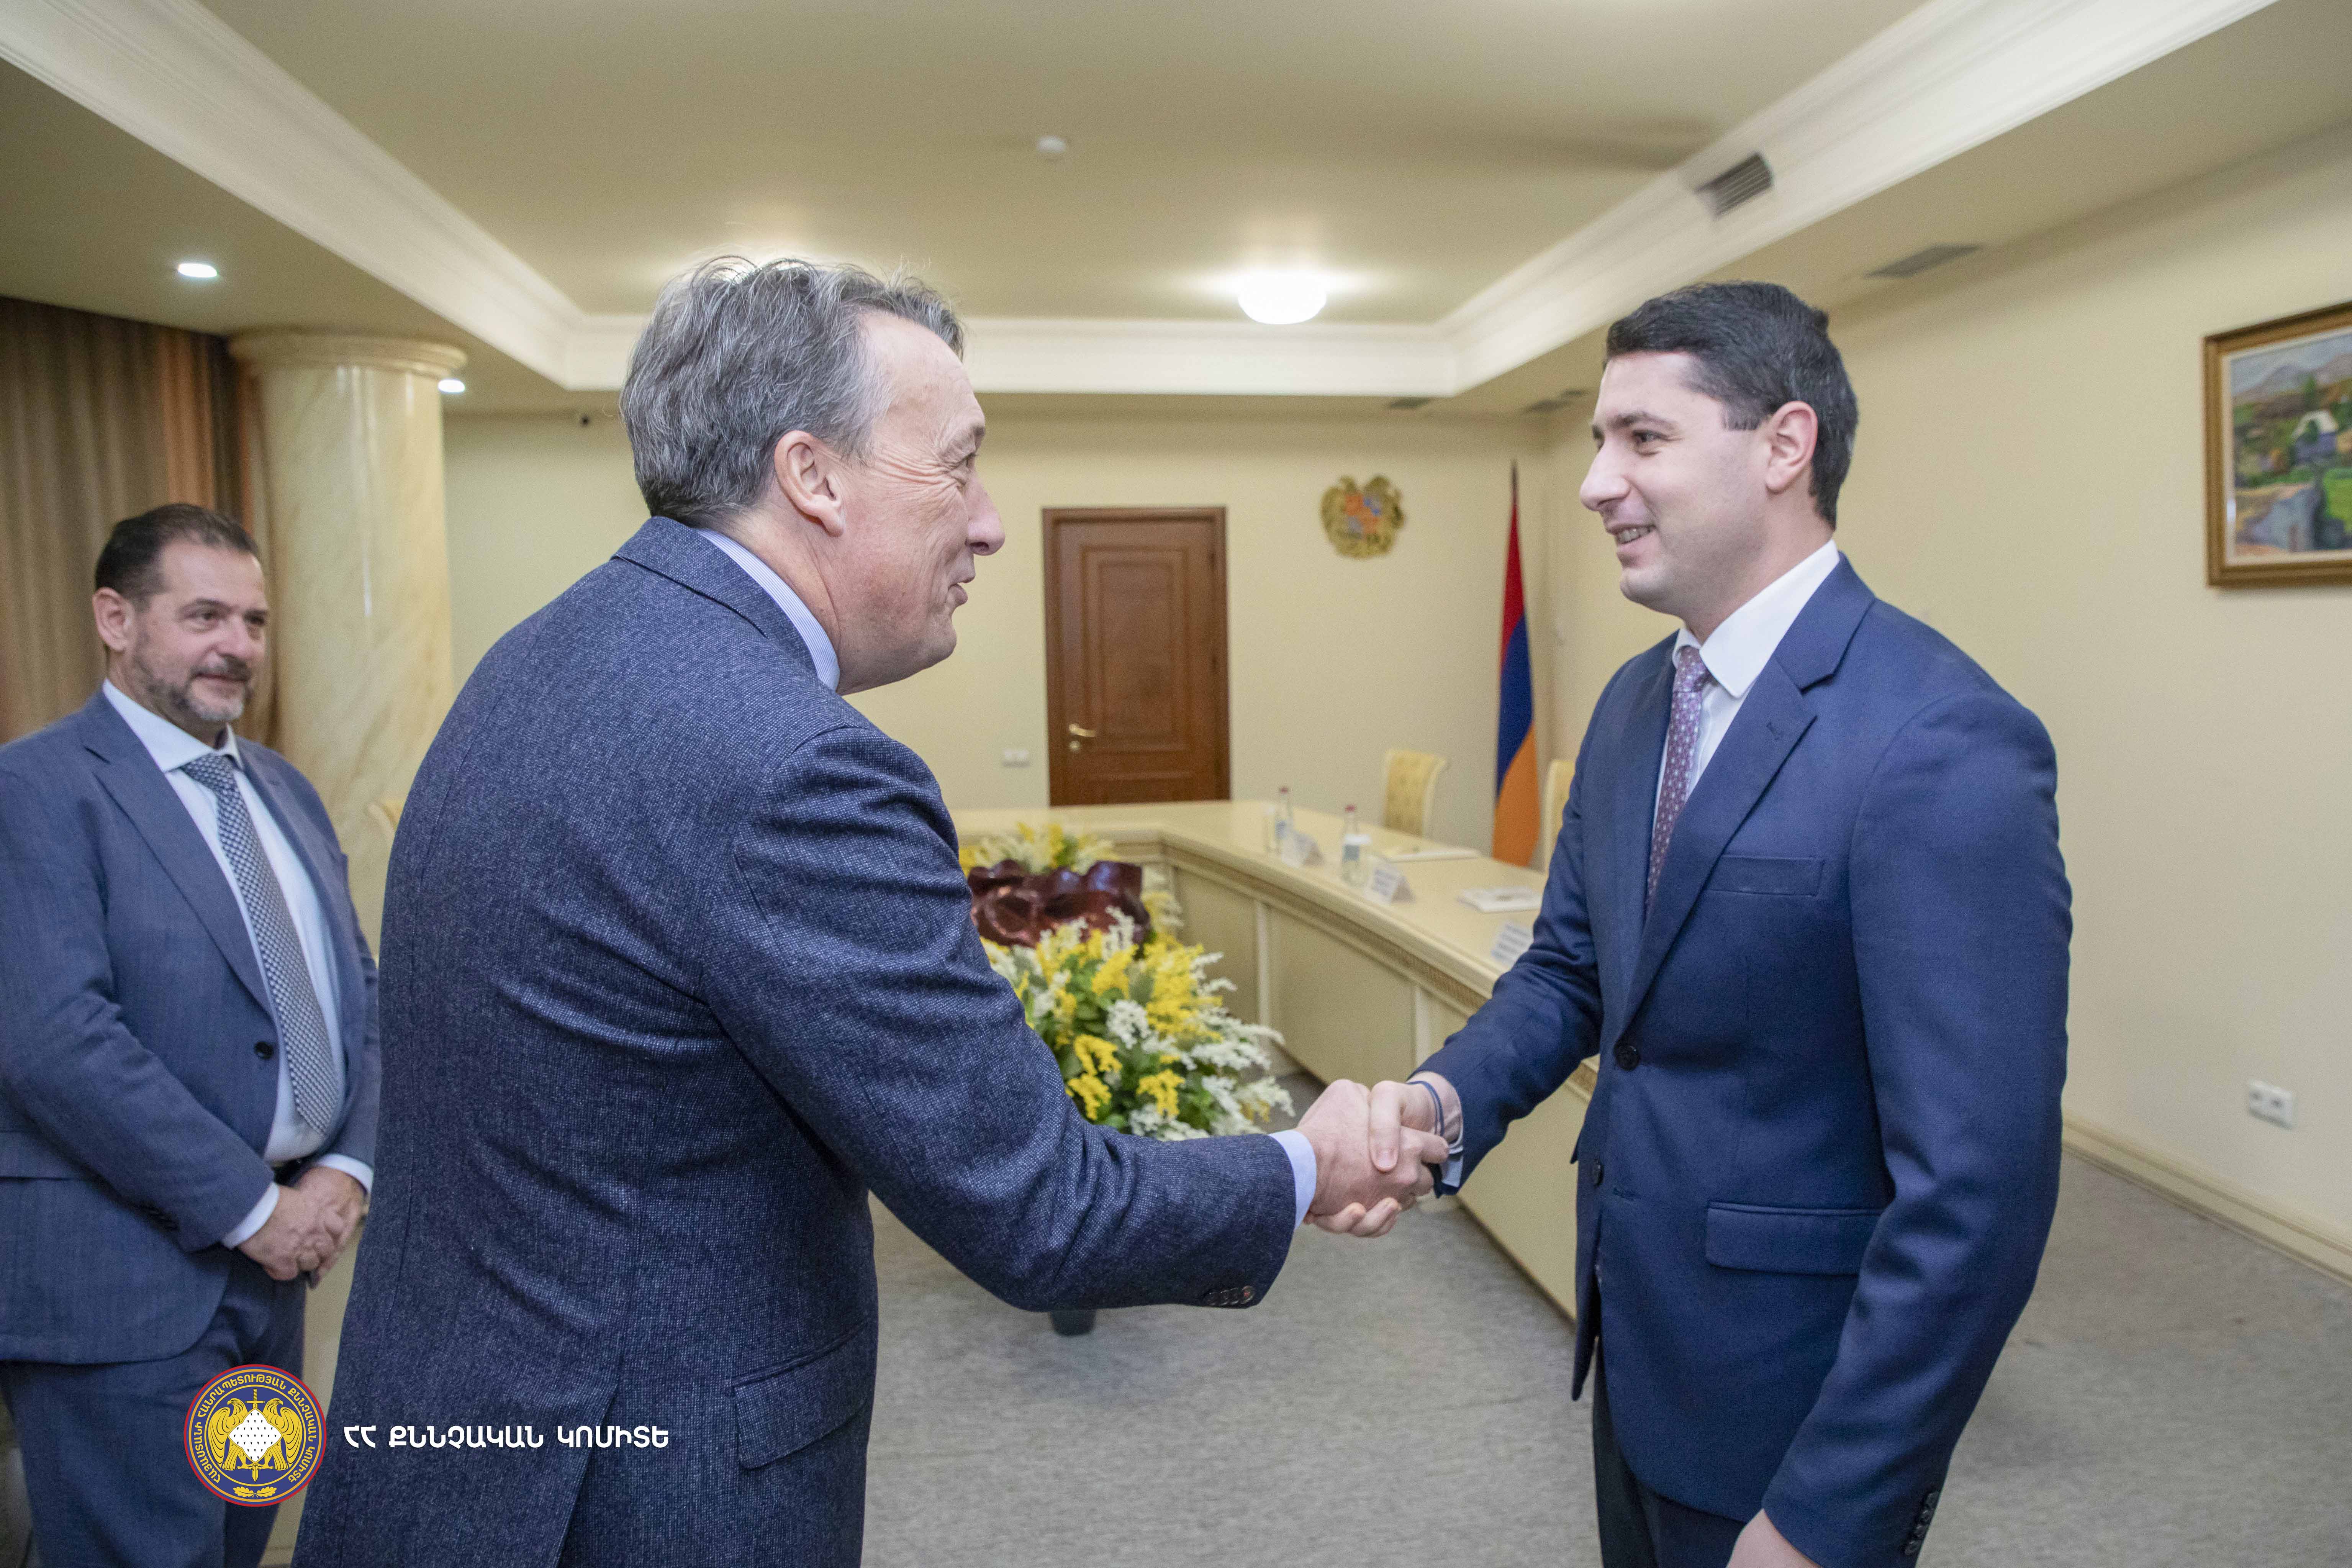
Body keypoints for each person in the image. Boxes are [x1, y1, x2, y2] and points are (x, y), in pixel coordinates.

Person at [292, 258, 1442, 1567]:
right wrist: (1307, 1164)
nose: (990, 524)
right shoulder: (793, 763)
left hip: (458, 1432)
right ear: (813, 476)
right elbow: (1042, 1209)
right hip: (634, 1482)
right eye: (958, 466)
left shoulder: (544, 654)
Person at [1365, 282, 2070, 1568]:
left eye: (1642, 438)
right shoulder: (1640, 699)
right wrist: (1440, 1103)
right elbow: (1574, 971)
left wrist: (1828, 1513)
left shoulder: (1940, 739)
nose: (1596, 483)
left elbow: (1977, 1193)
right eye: (1599, 440)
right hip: (1637, 1345)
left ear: (1784, 446)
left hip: (1796, 1410)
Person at [0, 504, 378, 1568]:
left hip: (276, 1282)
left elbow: (362, 995)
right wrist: (254, 1208)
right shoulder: (32, 791)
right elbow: (58, 1042)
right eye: (204, 616)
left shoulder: (286, 790)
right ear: (115, 619)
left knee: (240, 1543)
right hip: (122, 1292)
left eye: (254, 621)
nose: (238, 646)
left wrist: (345, 1169)